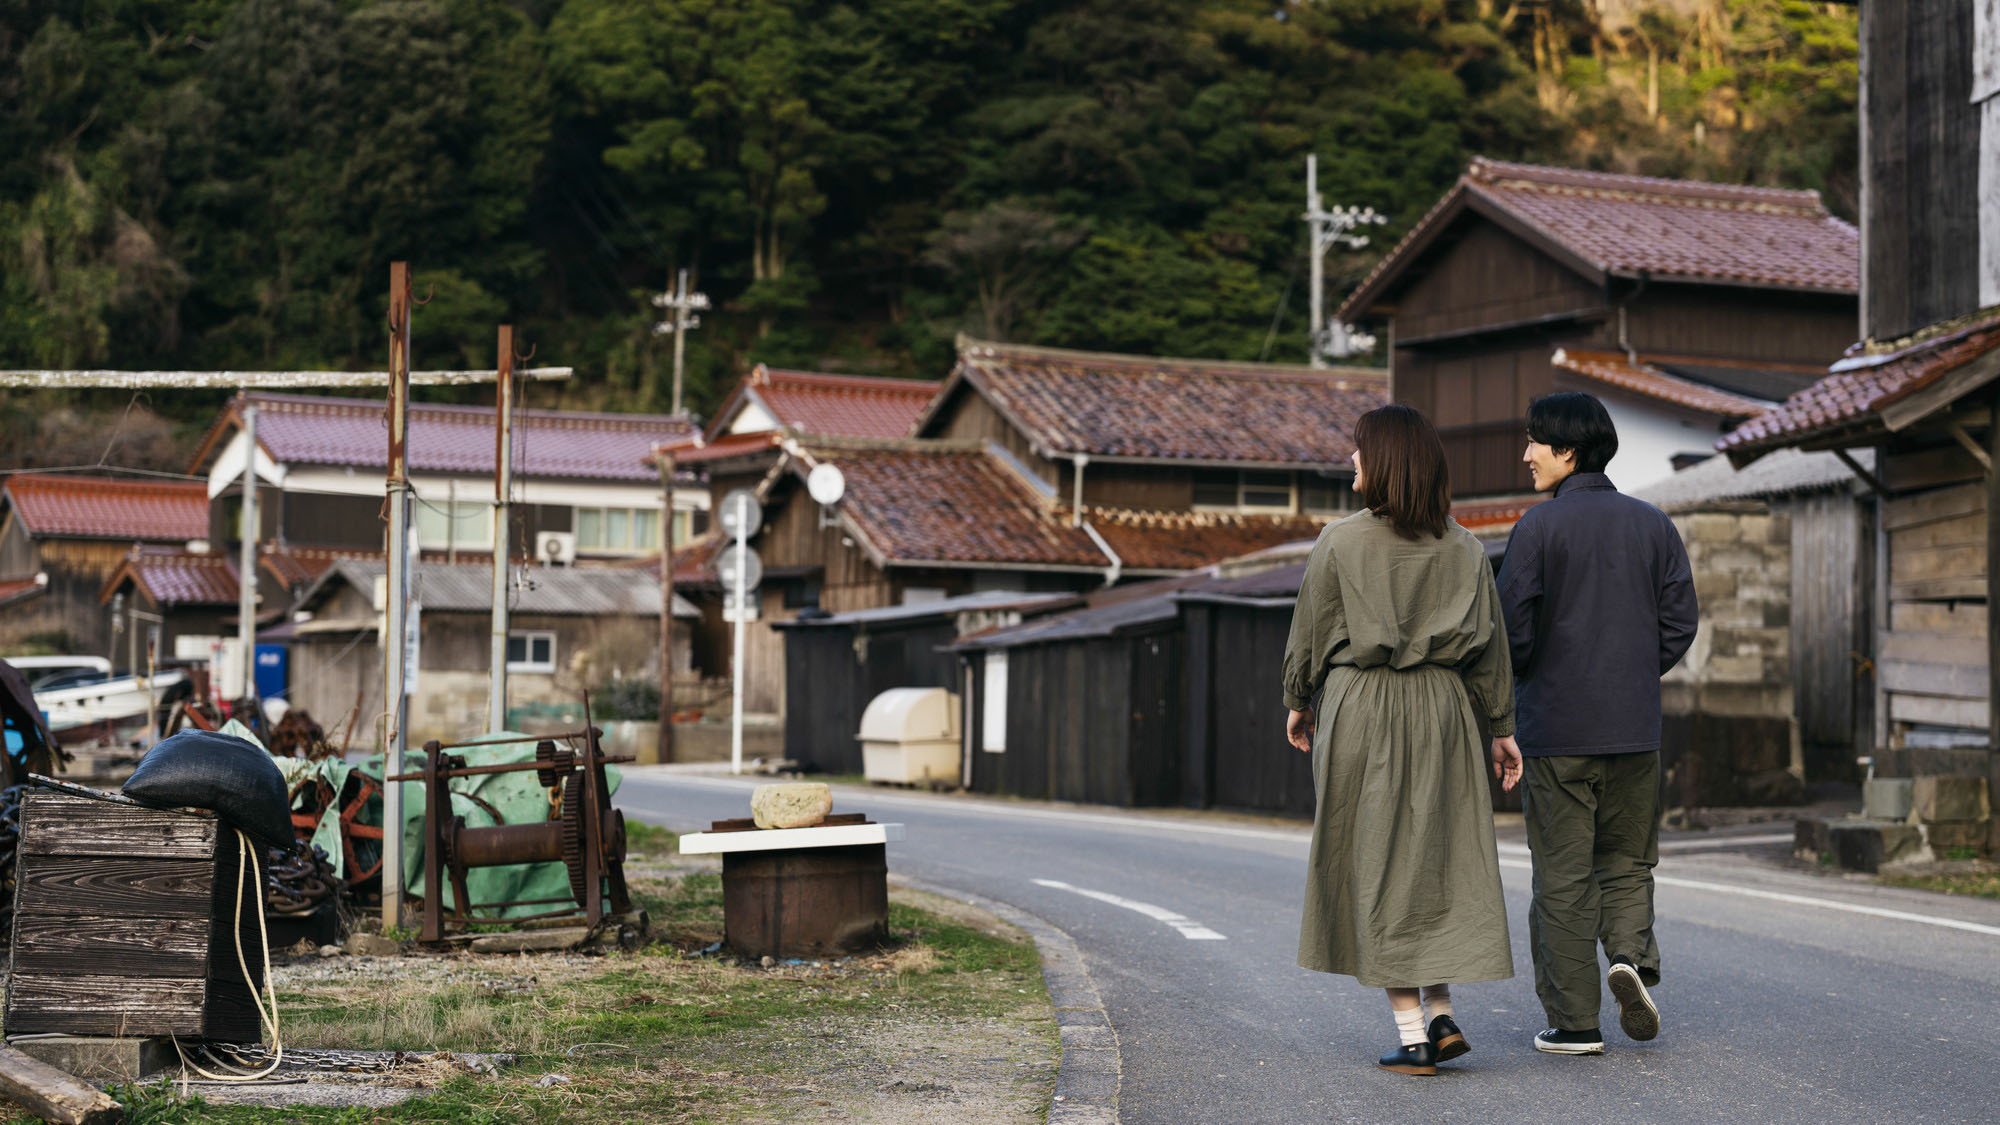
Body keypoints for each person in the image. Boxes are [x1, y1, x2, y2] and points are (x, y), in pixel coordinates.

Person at [1283, 404, 1523, 1077]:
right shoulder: (1467, 547)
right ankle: (1442, 1012)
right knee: (1439, 856)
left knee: (1375, 858)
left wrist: (1298, 701)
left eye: (1359, 452)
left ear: (1382, 463)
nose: (1351, 464)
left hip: (1363, 705)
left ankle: (1413, 1031)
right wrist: (1501, 728)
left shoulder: (1340, 541)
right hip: (1446, 708)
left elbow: (1309, 633)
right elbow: (1490, 651)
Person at [1496, 391, 1698, 1056]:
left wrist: (1526, 685)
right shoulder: (1654, 525)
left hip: (1556, 731)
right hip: (1635, 726)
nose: (1526, 453)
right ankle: (1631, 960)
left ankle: (1575, 1022)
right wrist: (1634, 671)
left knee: (1562, 873)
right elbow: (1679, 624)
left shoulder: (1537, 528)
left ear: (1568, 449)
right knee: (1628, 861)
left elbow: (1511, 631)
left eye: (1536, 441)